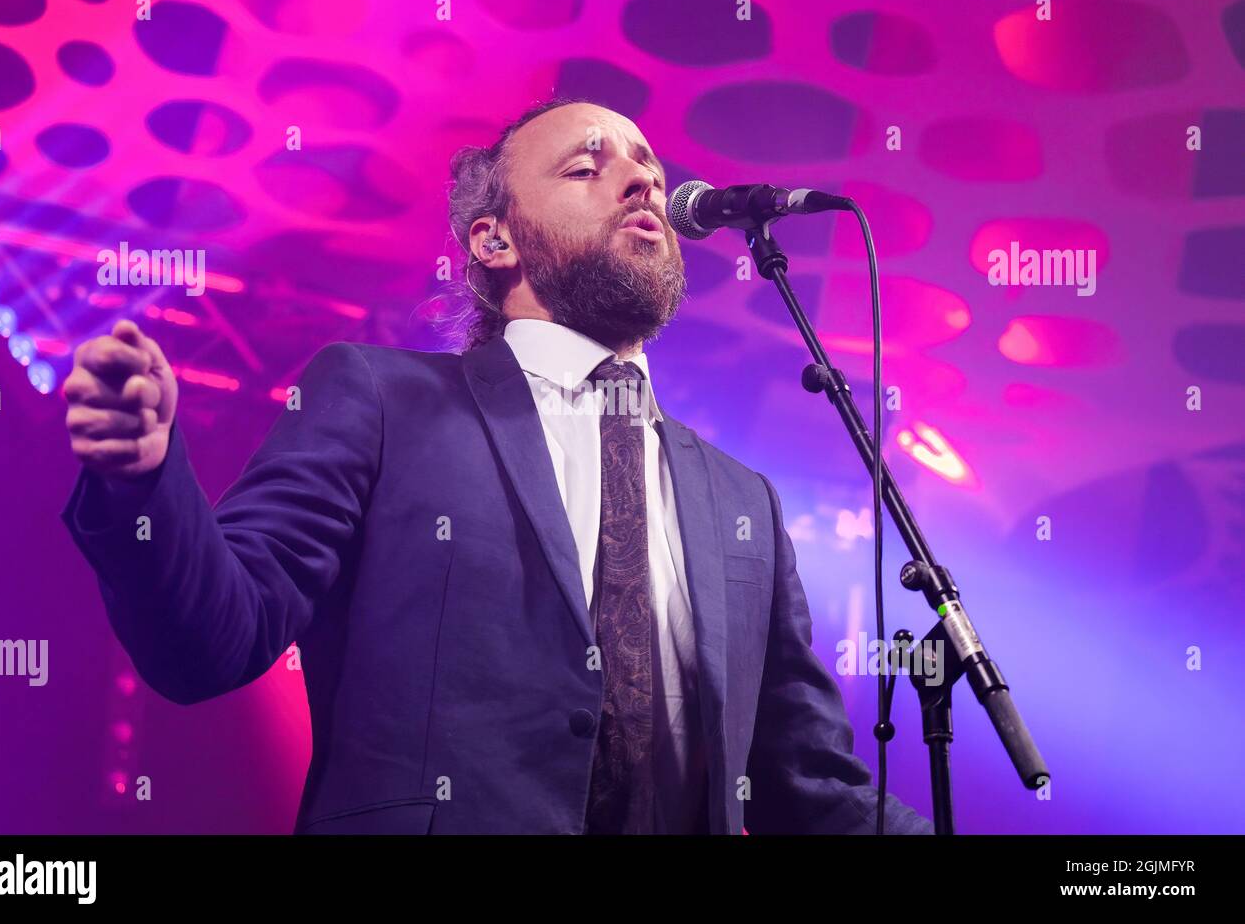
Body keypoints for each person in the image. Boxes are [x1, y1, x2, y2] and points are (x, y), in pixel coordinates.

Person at [60, 98, 933, 835]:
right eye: (588, 166)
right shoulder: (381, 399)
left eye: (648, 168)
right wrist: (144, 483)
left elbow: (809, 788)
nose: (642, 182)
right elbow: (213, 639)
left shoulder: (742, 500)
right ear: (494, 241)